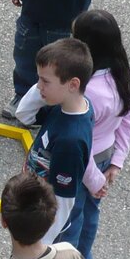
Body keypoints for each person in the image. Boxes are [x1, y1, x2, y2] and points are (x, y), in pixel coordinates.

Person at [16, 10, 130, 259]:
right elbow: (129, 119)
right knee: (89, 217)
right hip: (104, 157)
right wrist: (117, 160)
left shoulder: (87, 94)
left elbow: (82, 146)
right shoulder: (125, 76)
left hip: (83, 165)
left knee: (70, 219)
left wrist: (94, 181)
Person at [23, 38, 94, 245]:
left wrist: (39, 246)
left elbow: (63, 203)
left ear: (73, 84)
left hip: (43, 224)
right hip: (34, 199)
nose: (38, 86)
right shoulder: (65, 103)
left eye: (45, 81)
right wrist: (43, 89)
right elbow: (24, 114)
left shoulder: (70, 142)